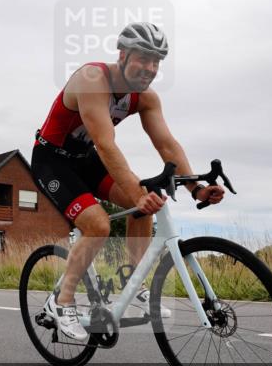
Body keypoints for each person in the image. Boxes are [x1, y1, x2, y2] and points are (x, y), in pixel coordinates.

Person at [31, 22, 225, 340]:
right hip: (52, 160)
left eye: (156, 61)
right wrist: (137, 193)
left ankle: (135, 283)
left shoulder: (146, 98)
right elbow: (106, 143)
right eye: (143, 58)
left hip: (87, 160)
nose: (150, 68)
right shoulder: (92, 79)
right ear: (122, 55)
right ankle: (60, 302)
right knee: (98, 225)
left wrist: (196, 188)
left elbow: (167, 145)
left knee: (147, 204)